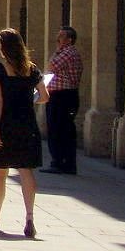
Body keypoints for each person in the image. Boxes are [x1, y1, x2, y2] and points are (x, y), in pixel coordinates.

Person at [0, 28, 49, 239]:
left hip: (7, 125)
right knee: (26, 170)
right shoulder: (32, 69)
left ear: (3, 47)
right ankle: (30, 217)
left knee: (0, 172)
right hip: (28, 125)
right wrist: (32, 100)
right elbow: (45, 95)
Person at [42, 25, 83, 175]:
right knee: (62, 129)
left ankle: (60, 162)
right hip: (62, 95)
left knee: (59, 129)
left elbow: (52, 65)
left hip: (63, 96)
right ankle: (64, 162)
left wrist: (57, 50)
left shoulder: (68, 52)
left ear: (69, 40)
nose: (57, 39)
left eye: (61, 37)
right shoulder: (66, 52)